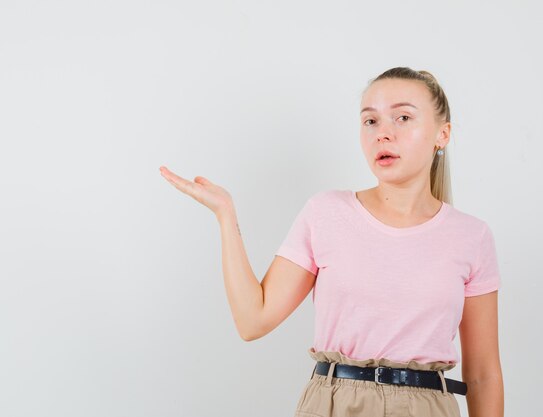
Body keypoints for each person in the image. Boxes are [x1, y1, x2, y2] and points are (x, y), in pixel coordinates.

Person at [159, 66, 504, 417]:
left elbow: (483, 375)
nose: (383, 133)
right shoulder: (326, 213)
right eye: (370, 121)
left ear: (442, 134)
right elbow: (253, 320)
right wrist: (225, 215)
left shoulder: (471, 236)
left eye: (402, 117)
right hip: (334, 404)